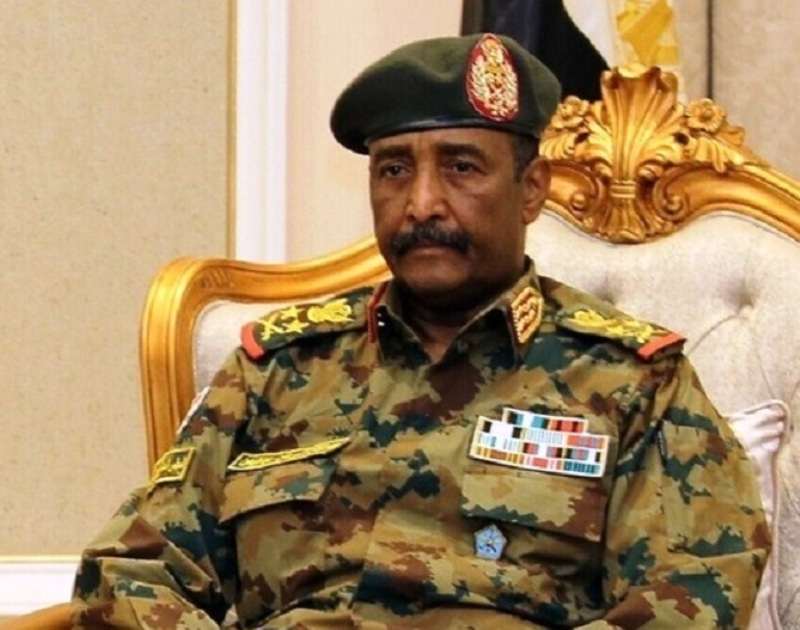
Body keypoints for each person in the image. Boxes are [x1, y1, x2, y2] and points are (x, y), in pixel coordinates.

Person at [72, 34, 768, 629]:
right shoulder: (276, 369)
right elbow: (131, 571)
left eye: (461, 167)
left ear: (530, 189)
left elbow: (695, 593)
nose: (422, 203)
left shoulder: (632, 379)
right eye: (394, 171)